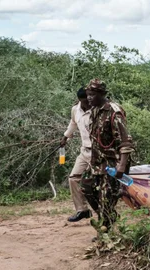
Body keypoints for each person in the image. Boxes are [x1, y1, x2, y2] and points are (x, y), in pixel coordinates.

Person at [82, 78, 134, 230]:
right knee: (85, 186)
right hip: (98, 160)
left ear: (101, 94)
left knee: (106, 196)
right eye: (88, 94)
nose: (89, 98)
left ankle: (105, 230)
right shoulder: (94, 111)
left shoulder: (114, 111)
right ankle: (108, 216)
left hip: (113, 162)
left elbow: (125, 141)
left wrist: (122, 166)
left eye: (92, 94)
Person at [60, 87, 92, 222]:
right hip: (85, 151)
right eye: (83, 101)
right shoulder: (75, 110)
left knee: (96, 182)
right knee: (73, 179)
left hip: (99, 152)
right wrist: (65, 137)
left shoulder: (97, 110)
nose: (86, 104)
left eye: (88, 101)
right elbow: (73, 123)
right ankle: (82, 210)